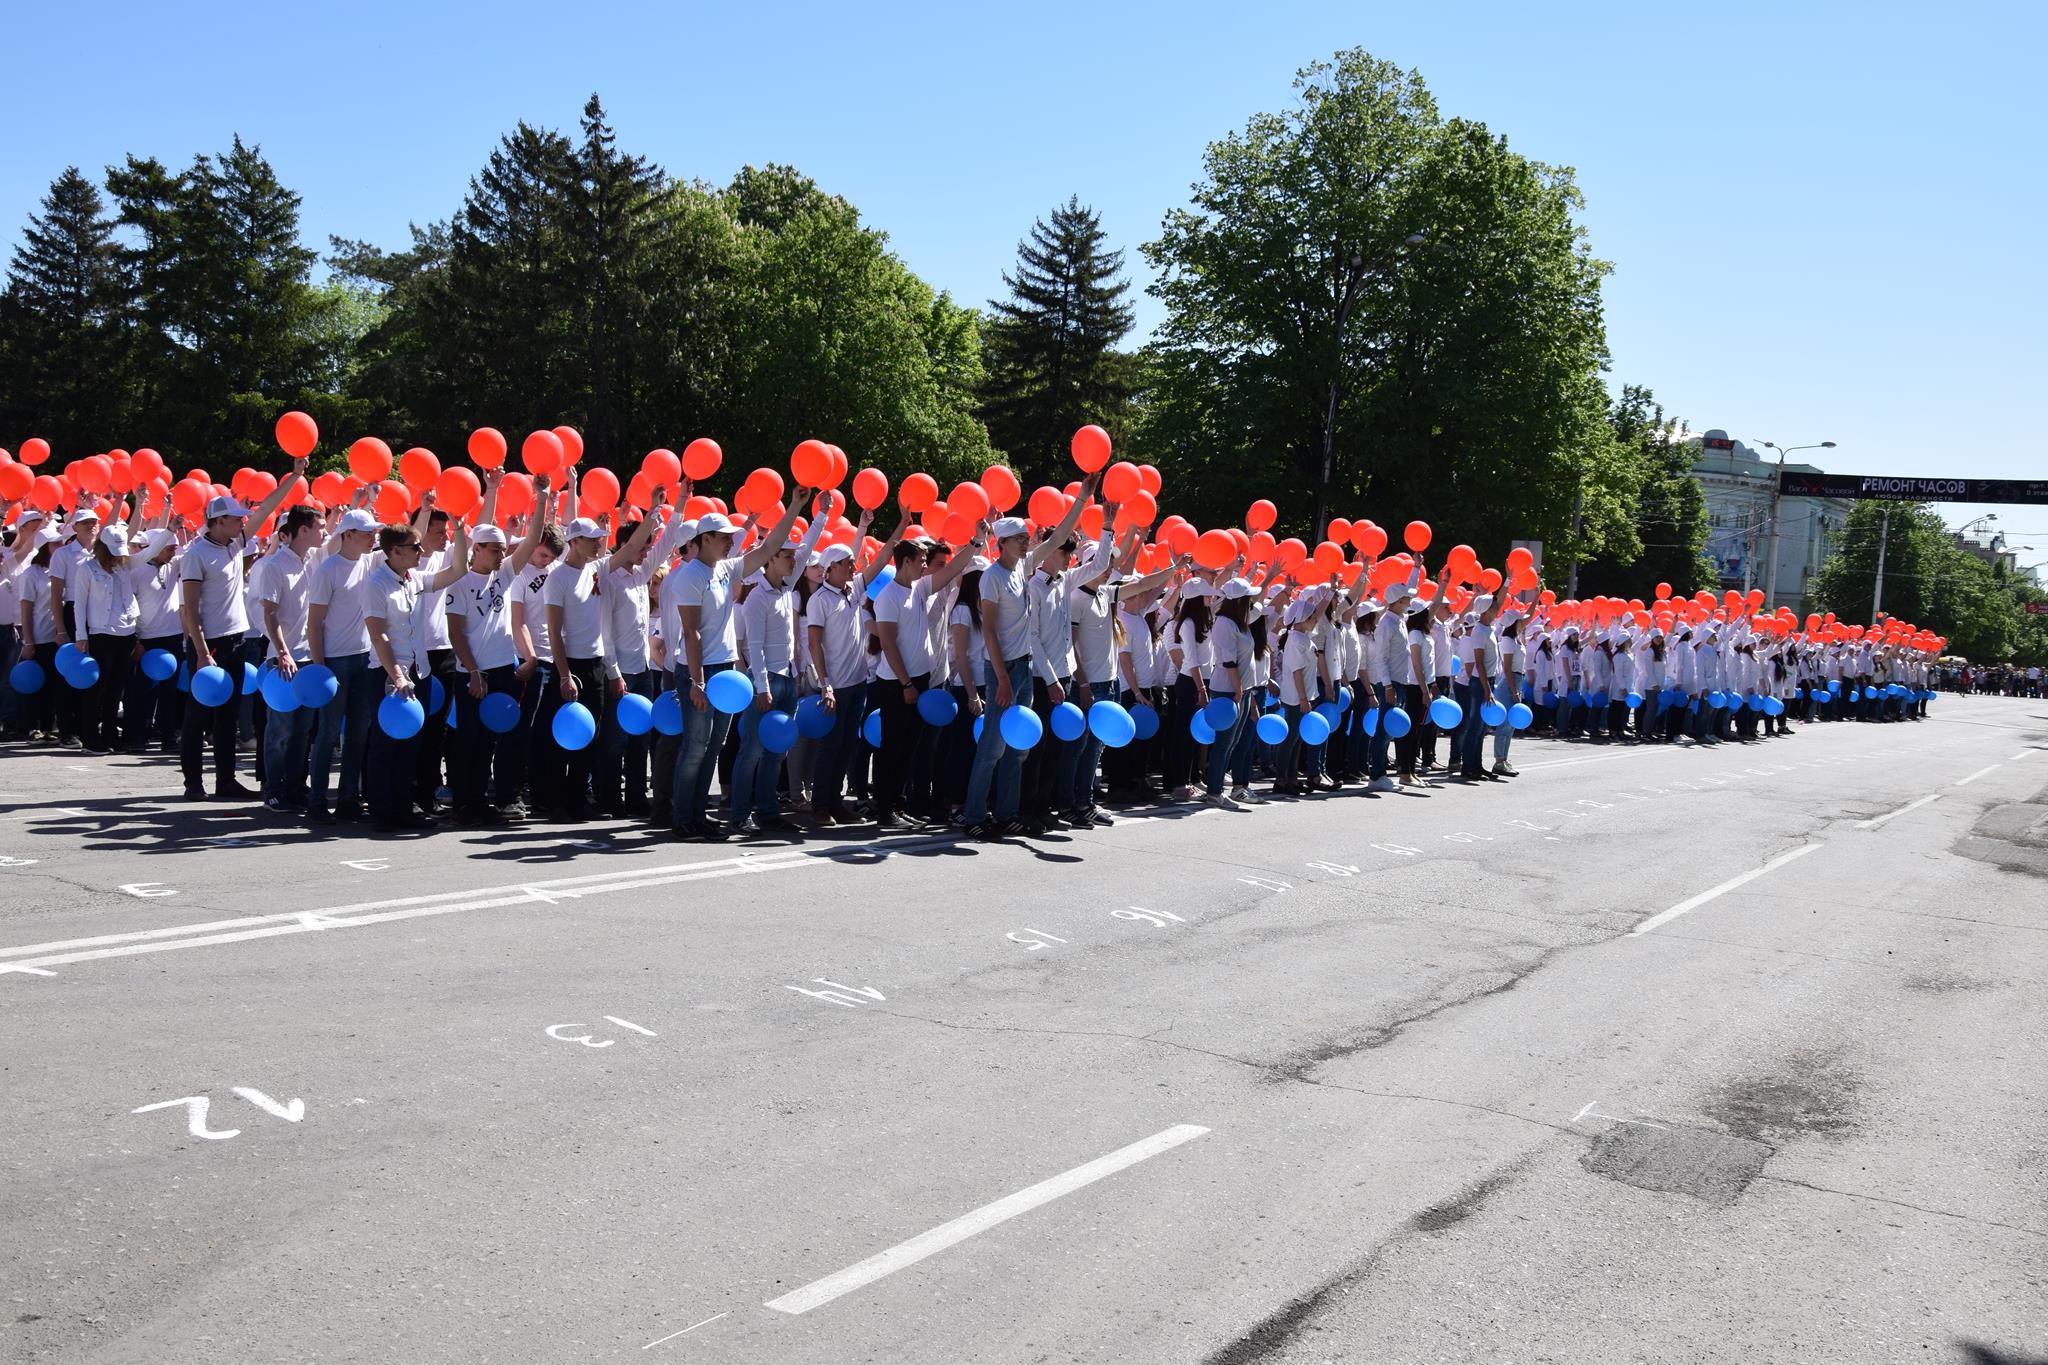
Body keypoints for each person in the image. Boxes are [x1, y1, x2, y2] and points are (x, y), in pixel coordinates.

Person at [668, 496, 807, 841]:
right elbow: (691, 632)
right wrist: (697, 681)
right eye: (724, 537)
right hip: (700, 671)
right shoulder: (690, 575)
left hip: (726, 672)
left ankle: (698, 815)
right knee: (695, 748)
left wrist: (794, 507)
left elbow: (769, 547)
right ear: (705, 539)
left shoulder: (725, 568)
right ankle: (683, 818)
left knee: (714, 747)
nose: (731, 541)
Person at [961, 481, 1093, 840]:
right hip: (1003, 670)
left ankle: (1006, 814)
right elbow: (989, 631)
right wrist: (1002, 678)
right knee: (991, 748)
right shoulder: (992, 578)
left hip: (1024, 666)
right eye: (1018, 539)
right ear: (1002, 543)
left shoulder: (1022, 567)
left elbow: (1058, 536)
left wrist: (1083, 497)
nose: (1025, 542)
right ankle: (974, 815)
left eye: (1025, 538)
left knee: (1018, 748)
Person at [178, 470, 301, 801]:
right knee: (198, 715)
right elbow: (190, 609)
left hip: (235, 639)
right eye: (235, 519)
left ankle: (226, 781)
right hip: (209, 645)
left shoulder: (235, 544)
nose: (242, 523)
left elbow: (267, 507)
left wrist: (295, 476)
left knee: (228, 716)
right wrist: (202, 653)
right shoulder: (196, 555)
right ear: (218, 521)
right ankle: (193, 783)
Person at [541, 507, 661, 822]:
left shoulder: (598, 569)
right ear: (574, 541)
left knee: (590, 736)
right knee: (564, 736)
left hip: (595, 665)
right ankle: (557, 803)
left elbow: (632, 547)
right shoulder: (557, 577)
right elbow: (554, 631)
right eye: (591, 539)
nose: (598, 543)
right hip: (570, 666)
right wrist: (564, 675)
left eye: (599, 538)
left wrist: (653, 512)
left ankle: (579, 801)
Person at [445, 477, 551, 825]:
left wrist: (542, 498)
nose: (501, 555)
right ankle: (466, 803)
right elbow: (456, 632)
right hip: (472, 673)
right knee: (469, 740)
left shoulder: (504, 574)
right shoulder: (459, 582)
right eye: (494, 549)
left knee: (492, 738)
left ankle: (482, 800)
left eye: (503, 549)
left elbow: (533, 540)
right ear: (476, 549)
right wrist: (474, 672)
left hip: (504, 668)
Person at [364, 519, 470, 833]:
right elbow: (378, 635)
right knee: (386, 744)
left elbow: (458, 570)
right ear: (395, 551)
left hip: (418, 672)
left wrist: (460, 530)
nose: (421, 551)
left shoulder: (414, 579)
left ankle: (403, 806)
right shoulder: (376, 584)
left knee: (411, 742)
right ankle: (382, 810)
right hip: (389, 674)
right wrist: (396, 676)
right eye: (414, 547)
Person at [730, 513, 828, 836]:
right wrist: (762, 687)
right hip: (767, 682)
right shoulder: (756, 598)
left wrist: (821, 514)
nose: (794, 560)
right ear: (770, 559)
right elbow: (754, 647)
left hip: (787, 679)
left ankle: (768, 811)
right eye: (786, 555)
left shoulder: (786, 587)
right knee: (751, 751)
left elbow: (808, 545)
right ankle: (740, 814)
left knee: (777, 750)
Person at [304, 507, 384, 822]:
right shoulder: (328, 570)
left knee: (357, 733)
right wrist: (320, 666)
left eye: (374, 533)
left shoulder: (371, 563)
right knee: (327, 733)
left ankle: (348, 798)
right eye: (367, 533)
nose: (373, 538)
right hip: (334, 661)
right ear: (348, 535)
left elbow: (404, 544)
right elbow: (314, 622)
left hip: (364, 659)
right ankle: (317, 801)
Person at [253, 506, 325, 814]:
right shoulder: (275, 565)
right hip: (283, 661)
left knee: (302, 732)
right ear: (303, 530)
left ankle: (296, 787)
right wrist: (283, 652)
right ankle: (274, 789)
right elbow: (270, 613)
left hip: (309, 660)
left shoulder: (313, 561)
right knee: (279, 731)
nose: (324, 532)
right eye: (320, 527)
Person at [73, 523, 140, 753]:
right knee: (96, 688)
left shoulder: (123, 567)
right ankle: (90, 737)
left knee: (116, 688)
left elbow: (149, 554)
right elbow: (79, 604)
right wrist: (81, 635)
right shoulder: (87, 569)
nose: (117, 556)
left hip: (126, 633)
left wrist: (170, 530)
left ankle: (110, 735)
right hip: (101, 634)